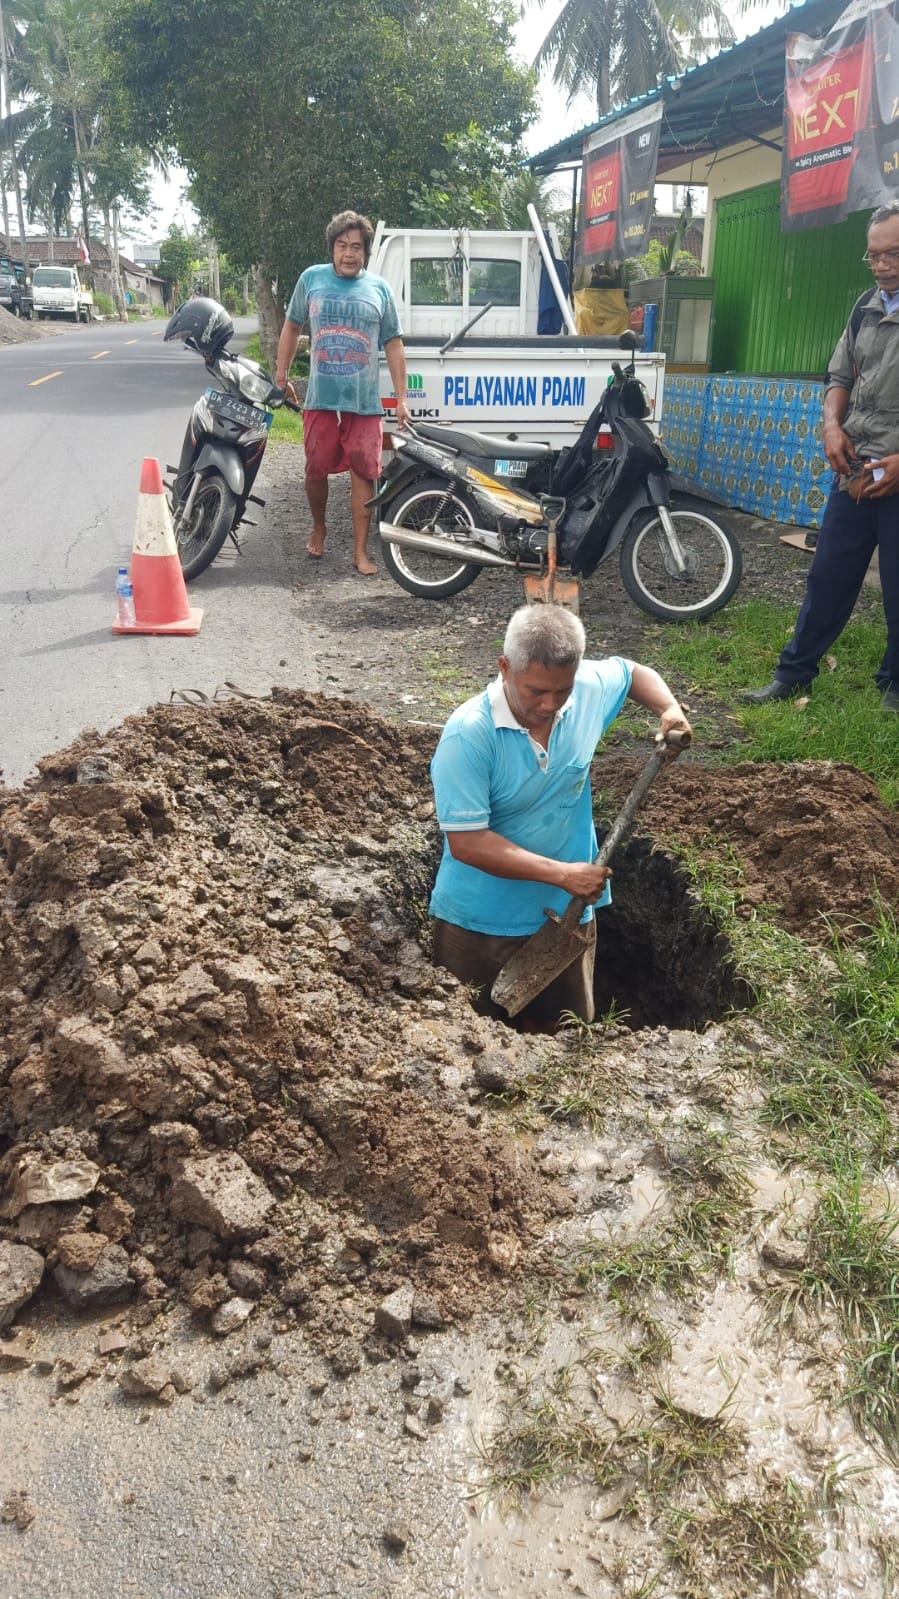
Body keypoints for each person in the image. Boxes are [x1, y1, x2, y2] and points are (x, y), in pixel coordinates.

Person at [429, 605, 693, 1027]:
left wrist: (669, 708)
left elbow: (632, 672)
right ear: (504, 667)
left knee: (566, 1044)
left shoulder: (585, 689)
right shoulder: (469, 736)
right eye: (536, 691)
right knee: (467, 1041)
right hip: (479, 923)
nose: (550, 704)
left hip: (567, 919)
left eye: (561, 691)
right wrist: (564, 874)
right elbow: (468, 842)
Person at [743, 201, 899, 713]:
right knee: (828, 575)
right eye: (873, 256)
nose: (881, 265)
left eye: (892, 254)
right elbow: (840, 378)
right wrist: (832, 426)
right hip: (855, 469)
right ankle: (794, 673)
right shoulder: (864, 307)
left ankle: (894, 686)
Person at [276, 210, 412, 576]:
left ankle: (360, 552)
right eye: (342, 246)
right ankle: (319, 526)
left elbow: (395, 345)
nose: (349, 254)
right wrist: (281, 372)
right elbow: (291, 327)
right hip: (321, 397)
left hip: (362, 401)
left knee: (364, 473)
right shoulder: (312, 279)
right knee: (315, 469)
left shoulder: (379, 289)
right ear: (332, 248)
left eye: (356, 247)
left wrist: (401, 398)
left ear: (366, 252)